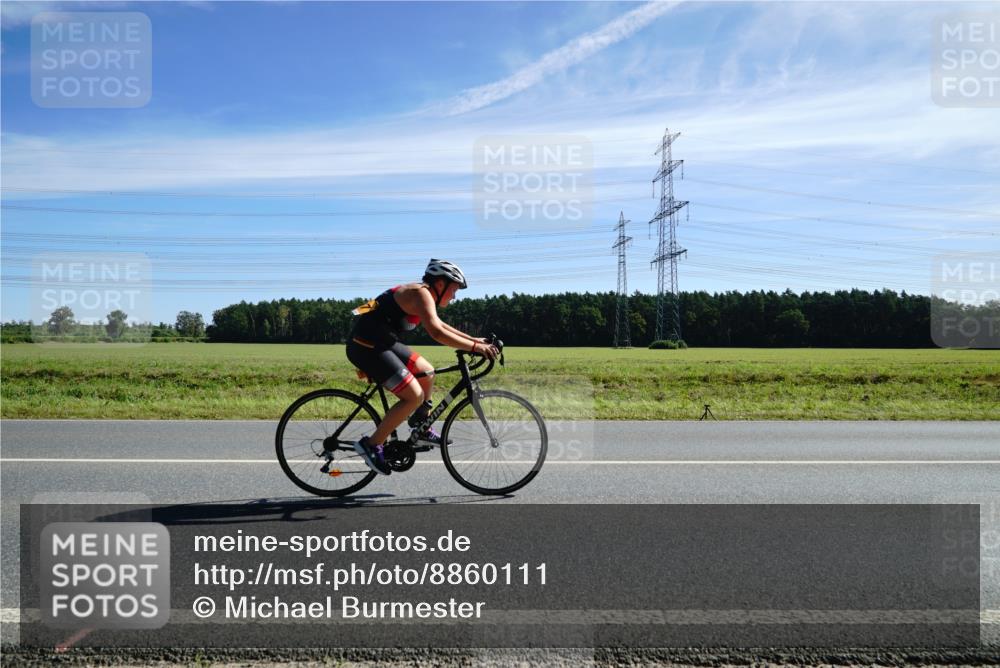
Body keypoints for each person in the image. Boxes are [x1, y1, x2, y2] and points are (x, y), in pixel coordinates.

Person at [345, 259, 500, 475]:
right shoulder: (420, 294)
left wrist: (474, 340)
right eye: (454, 289)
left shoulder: (421, 293)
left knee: (427, 371)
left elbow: (440, 324)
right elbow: (436, 333)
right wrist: (475, 347)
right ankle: (371, 445)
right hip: (366, 346)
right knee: (413, 396)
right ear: (440, 284)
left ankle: (421, 424)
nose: (454, 296)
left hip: (382, 341)